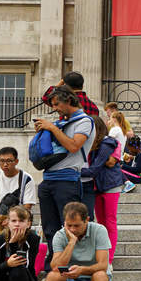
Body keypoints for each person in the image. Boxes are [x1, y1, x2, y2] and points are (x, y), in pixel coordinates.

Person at [34, 87, 94, 250]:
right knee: (49, 229)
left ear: (68, 100)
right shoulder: (62, 122)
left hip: (67, 181)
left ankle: (72, 261)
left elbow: (74, 146)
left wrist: (52, 128)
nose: (54, 108)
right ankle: (54, 260)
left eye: (56, 104)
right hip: (48, 179)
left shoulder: (85, 121)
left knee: (70, 228)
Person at [0, 146, 36, 244]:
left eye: (9, 161)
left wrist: (11, 219)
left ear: (16, 161)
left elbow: (27, 207)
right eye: (2, 161)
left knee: (15, 224)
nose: (5, 164)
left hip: (19, 216)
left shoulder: (26, 179)